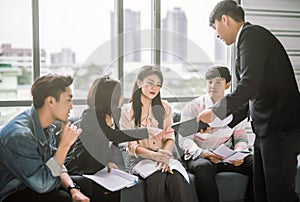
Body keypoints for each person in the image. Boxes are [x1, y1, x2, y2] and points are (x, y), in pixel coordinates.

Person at [199, 1, 300, 201]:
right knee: (261, 192)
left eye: (215, 28)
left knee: (279, 195)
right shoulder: (246, 41)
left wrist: (214, 111)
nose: (217, 35)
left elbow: (249, 85)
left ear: (224, 19)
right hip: (266, 130)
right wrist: (218, 123)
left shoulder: (252, 36)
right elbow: (249, 95)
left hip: (281, 130)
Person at [65, 75, 162, 201]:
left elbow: (113, 142)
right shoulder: (90, 115)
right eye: (119, 94)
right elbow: (111, 135)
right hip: (81, 167)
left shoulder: (116, 113)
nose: (122, 97)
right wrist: (146, 131)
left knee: (116, 191)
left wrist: (109, 161)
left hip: (100, 168)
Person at [0, 74, 90, 202]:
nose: (72, 106)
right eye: (68, 100)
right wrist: (65, 145)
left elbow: (56, 165)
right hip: (13, 192)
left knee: (86, 185)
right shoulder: (19, 135)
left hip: (36, 182)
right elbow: (43, 185)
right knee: (62, 199)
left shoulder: (47, 127)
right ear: (51, 102)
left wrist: (73, 189)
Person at [179, 66, 253, 202]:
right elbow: (184, 140)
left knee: (256, 163)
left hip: (227, 156)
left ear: (227, 85)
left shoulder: (236, 108)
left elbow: (241, 137)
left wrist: (238, 153)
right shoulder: (192, 107)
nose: (213, 86)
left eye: (218, 82)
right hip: (201, 156)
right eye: (210, 82)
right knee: (203, 167)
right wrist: (202, 153)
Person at [120, 65, 188, 202]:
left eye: (158, 85)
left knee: (175, 177)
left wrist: (164, 156)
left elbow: (169, 137)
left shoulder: (166, 108)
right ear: (139, 83)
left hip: (165, 155)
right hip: (141, 159)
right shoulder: (127, 111)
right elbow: (131, 146)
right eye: (150, 83)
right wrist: (155, 156)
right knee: (158, 177)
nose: (154, 88)